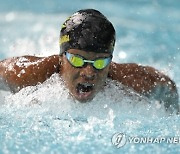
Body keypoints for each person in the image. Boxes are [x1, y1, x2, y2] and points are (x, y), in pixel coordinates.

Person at [0, 9, 179, 113]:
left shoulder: (131, 80)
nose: (89, 72)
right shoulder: (30, 73)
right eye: (78, 60)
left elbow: (167, 88)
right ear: (62, 58)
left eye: (100, 63)